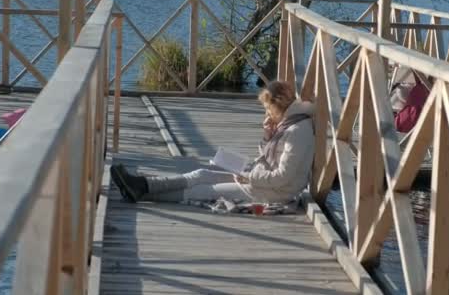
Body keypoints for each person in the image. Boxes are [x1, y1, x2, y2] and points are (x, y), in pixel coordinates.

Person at [110, 80, 315, 205]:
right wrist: (267, 137)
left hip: (274, 193)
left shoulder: (297, 131)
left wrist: (248, 176)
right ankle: (145, 184)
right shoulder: (287, 124)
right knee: (202, 174)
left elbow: (282, 177)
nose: (267, 114)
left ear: (278, 106)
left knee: (201, 192)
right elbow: (270, 159)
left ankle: (142, 193)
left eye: (268, 109)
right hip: (259, 179)